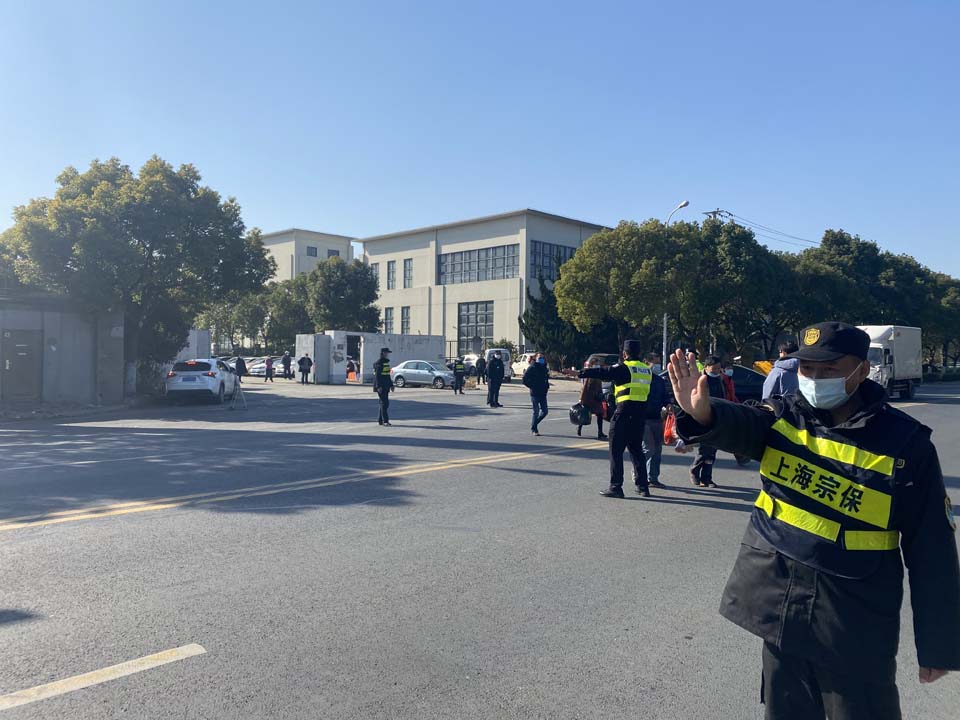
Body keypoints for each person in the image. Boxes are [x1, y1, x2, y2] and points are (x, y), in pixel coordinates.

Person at [669, 322, 960, 720]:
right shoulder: (785, 416)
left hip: (853, 620)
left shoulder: (906, 444)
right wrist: (702, 413)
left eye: (829, 370)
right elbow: (742, 424)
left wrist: (938, 645)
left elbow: (933, 549)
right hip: (780, 607)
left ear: (861, 370)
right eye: (807, 369)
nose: (815, 379)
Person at [579, 339, 653, 498]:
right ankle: (643, 487)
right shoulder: (646, 370)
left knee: (616, 451)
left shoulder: (624, 368)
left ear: (625, 354)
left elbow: (603, 372)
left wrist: (582, 372)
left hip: (624, 413)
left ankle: (616, 487)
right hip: (640, 415)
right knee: (637, 451)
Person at [689, 355, 726, 488]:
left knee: (712, 450)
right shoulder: (701, 380)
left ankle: (707, 478)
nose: (716, 370)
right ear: (706, 367)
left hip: (718, 417)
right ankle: (694, 470)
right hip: (704, 417)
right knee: (704, 448)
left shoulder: (720, 379)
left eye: (718, 368)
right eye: (714, 368)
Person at [641, 353, 667, 488]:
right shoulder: (640, 379)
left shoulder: (659, 380)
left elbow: (665, 396)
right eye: (655, 363)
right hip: (643, 419)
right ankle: (639, 474)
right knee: (648, 449)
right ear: (647, 363)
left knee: (657, 450)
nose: (657, 366)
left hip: (657, 418)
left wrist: (668, 404)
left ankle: (653, 478)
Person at [577, 357, 607, 440]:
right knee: (584, 414)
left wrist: (601, 396)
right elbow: (585, 387)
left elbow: (600, 386)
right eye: (595, 364)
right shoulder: (589, 374)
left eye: (598, 364)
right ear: (591, 365)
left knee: (600, 414)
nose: (597, 365)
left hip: (597, 398)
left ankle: (600, 432)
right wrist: (581, 399)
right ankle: (579, 427)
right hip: (588, 397)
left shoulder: (599, 374)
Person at [523, 353, 550, 436]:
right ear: (536, 358)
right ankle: (534, 429)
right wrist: (532, 386)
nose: (541, 359)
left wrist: (547, 386)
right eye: (539, 357)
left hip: (543, 393)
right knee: (536, 411)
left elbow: (546, 379)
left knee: (545, 411)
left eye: (542, 357)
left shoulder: (544, 368)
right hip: (535, 393)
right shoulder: (532, 367)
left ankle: (534, 423)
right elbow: (524, 379)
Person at [373, 347, 393, 426]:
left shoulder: (386, 362)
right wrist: (378, 386)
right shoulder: (379, 363)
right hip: (381, 387)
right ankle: (385, 421)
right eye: (387, 353)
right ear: (383, 353)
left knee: (383, 403)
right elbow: (377, 376)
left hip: (386, 386)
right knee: (385, 403)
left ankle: (380, 420)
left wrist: (391, 385)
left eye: (388, 353)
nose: (388, 354)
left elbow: (387, 375)